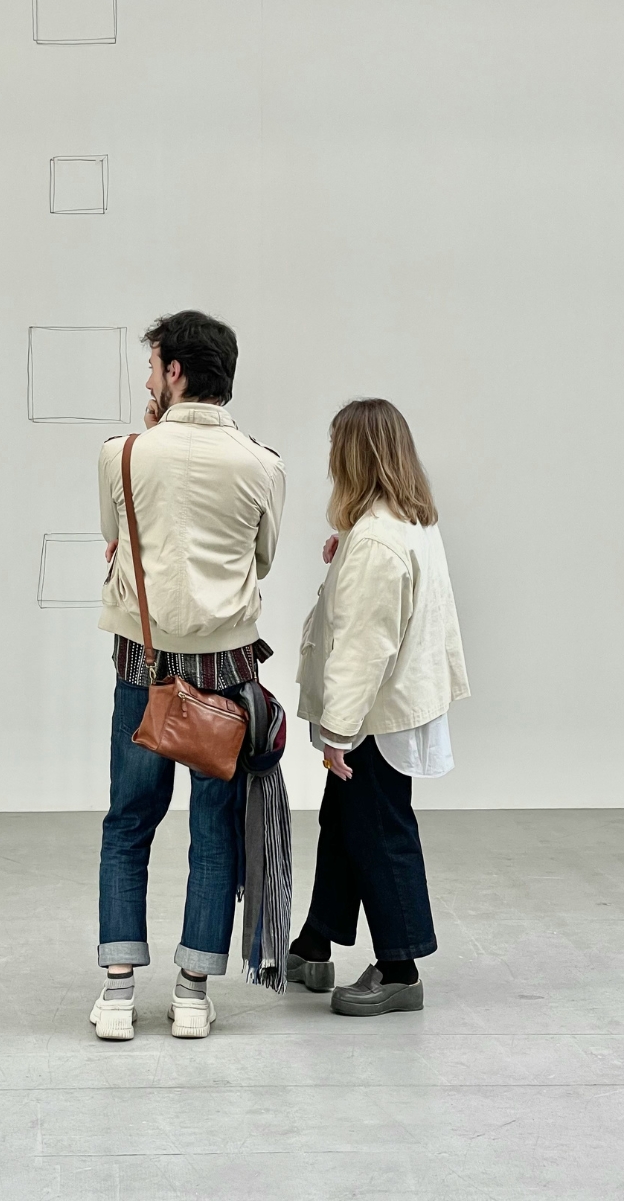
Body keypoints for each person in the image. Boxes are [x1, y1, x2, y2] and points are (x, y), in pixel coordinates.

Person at [90, 310, 285, 1040]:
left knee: (127, 823)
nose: (147, 377)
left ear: (174, 372)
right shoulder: (265, 465)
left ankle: (117, 994)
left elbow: (114, 540)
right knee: (214, 833)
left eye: (151, 366)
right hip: (226, 679)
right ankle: (194, 994)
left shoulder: (123, 453)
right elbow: (261, 560)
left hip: (144, 670)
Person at [289, 398, 469, 1015]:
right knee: (344, 825)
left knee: (378, 832)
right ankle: (313, 944)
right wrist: (345, 553)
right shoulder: (406, 522)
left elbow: (364, 648)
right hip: (400, 707)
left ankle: (400, 967)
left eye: (337, 448)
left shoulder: (376, 544)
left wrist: (336, 731)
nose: (330, 461)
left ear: (356, 457)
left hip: (374, 719)